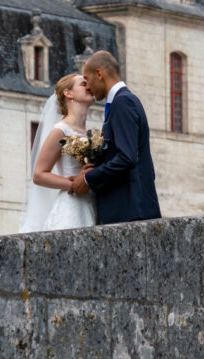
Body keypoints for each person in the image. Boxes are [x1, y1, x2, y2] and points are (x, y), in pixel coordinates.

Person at [68, 51, 161, 223]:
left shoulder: (122, 103)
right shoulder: (123, 102)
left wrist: (89, 179)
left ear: (99, 74)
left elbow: (127, 157)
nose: (88, 87)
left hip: (131, 211)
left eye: (87, 79)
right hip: (131, 209)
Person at [19, 73, 98, 232]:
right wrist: (74, 184)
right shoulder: (60, 130)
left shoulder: (92, 133)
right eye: (83, 84)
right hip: (72, 206)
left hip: (93, 203)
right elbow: (39, 175)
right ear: (68, 93)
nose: (90, 86)